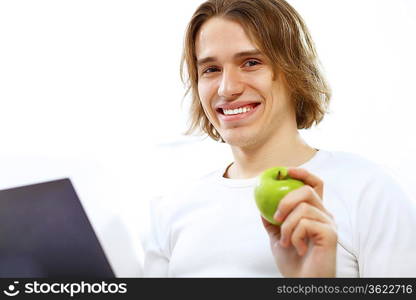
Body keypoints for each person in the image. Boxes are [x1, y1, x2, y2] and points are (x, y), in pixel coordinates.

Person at [143, 0, 416, 277]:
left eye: (251, 63)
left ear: (294, 73)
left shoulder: (371, 192)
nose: (227, 89)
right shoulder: (170, 211)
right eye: (211, 69)